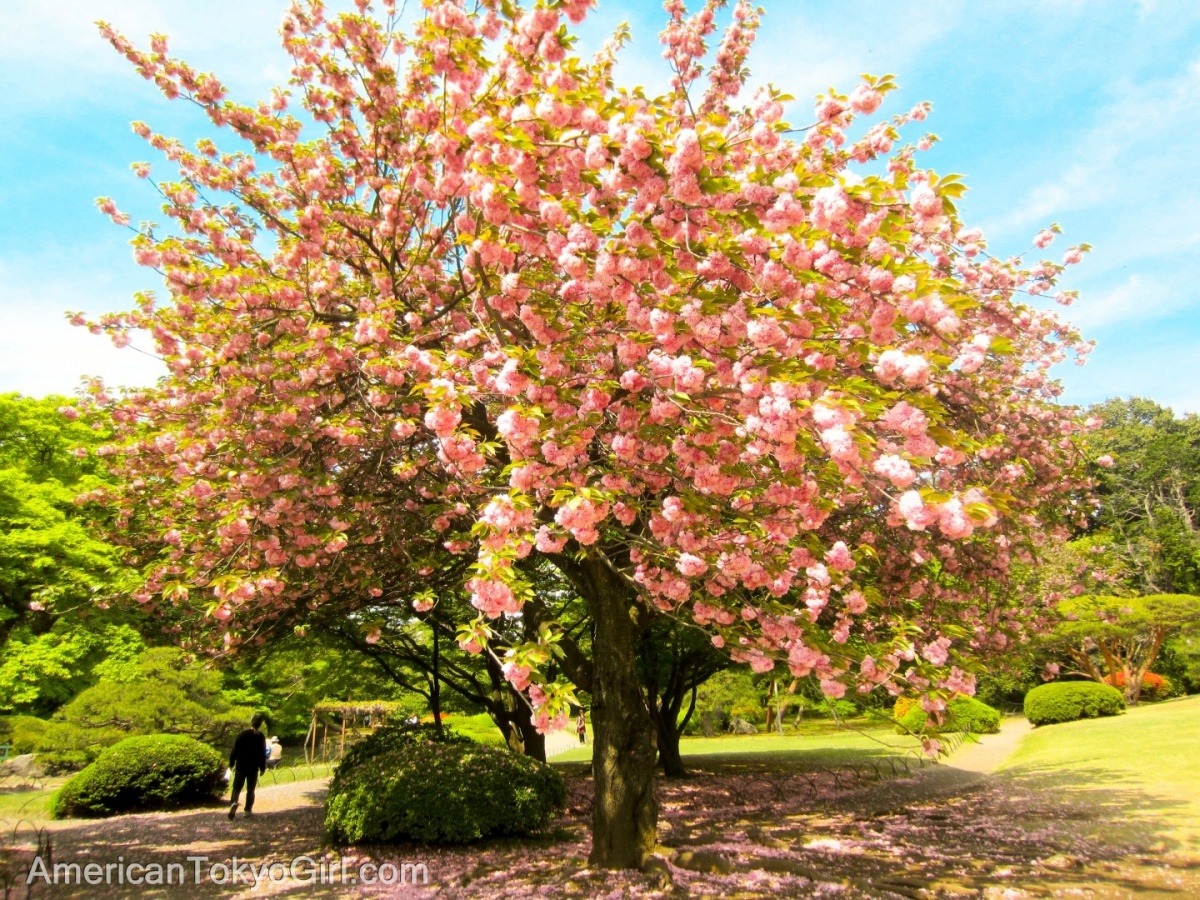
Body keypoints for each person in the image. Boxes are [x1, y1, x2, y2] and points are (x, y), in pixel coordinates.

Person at [228, 713, 268, 819]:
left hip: (241, 765)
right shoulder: (260, 737)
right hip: (253, 766)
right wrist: (262, 766)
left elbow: (234, 750)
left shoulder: (242, 734)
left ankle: (234, 802)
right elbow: (262, 753)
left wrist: (231, 763)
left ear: (251, 721)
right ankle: (247, 810)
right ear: (260, 724)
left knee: (236, 787)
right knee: (251, 789)